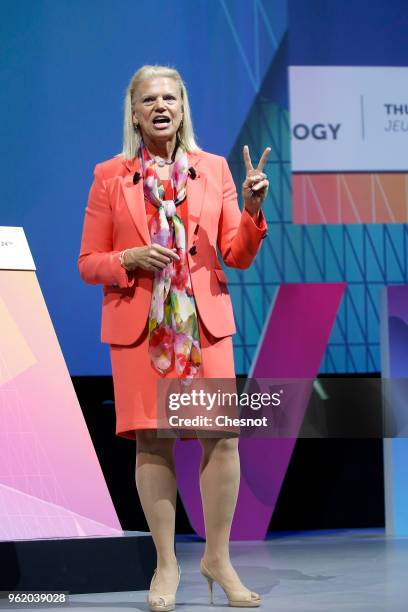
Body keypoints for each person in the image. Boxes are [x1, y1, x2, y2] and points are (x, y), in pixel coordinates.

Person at [78, 64, 270, 611]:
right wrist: (128, 258)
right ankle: (167, 565)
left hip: (202, 327)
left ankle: (218, 559)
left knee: (221, 440)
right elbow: (88, 262)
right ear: (134, 113)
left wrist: (254, 211)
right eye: (149, 99)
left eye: (170, 97)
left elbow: (236, 253)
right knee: (153, 440)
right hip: (142, 329)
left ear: (183, 108)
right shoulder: (109, 176)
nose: (160, 106)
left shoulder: (213, 170)